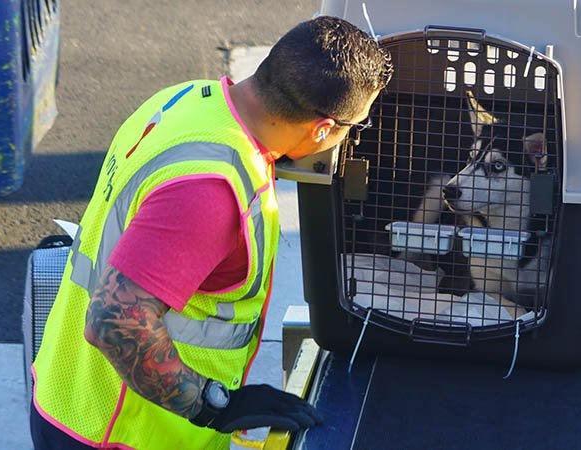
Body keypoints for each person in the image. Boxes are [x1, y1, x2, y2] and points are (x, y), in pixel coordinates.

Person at [29, 15, 392, 450]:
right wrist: (212, 404)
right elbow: (114, 322)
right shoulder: (213, 192)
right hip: (125, 433)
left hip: (67, 394)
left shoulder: (188, 100)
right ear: (321, 128)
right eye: (355, 126)